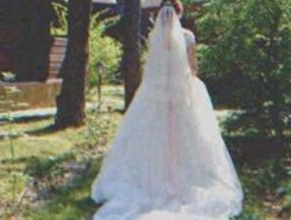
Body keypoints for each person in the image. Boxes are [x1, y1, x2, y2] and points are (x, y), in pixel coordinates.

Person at [91, 2, 243, 220]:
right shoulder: (187, 36)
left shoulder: (155, 37)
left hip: (157, 94)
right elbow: (192, 69)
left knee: (156, 136)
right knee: (190, 137)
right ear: (179, 12)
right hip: (182, 94)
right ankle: (182, 180)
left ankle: (157, 180)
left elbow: (153, 67)